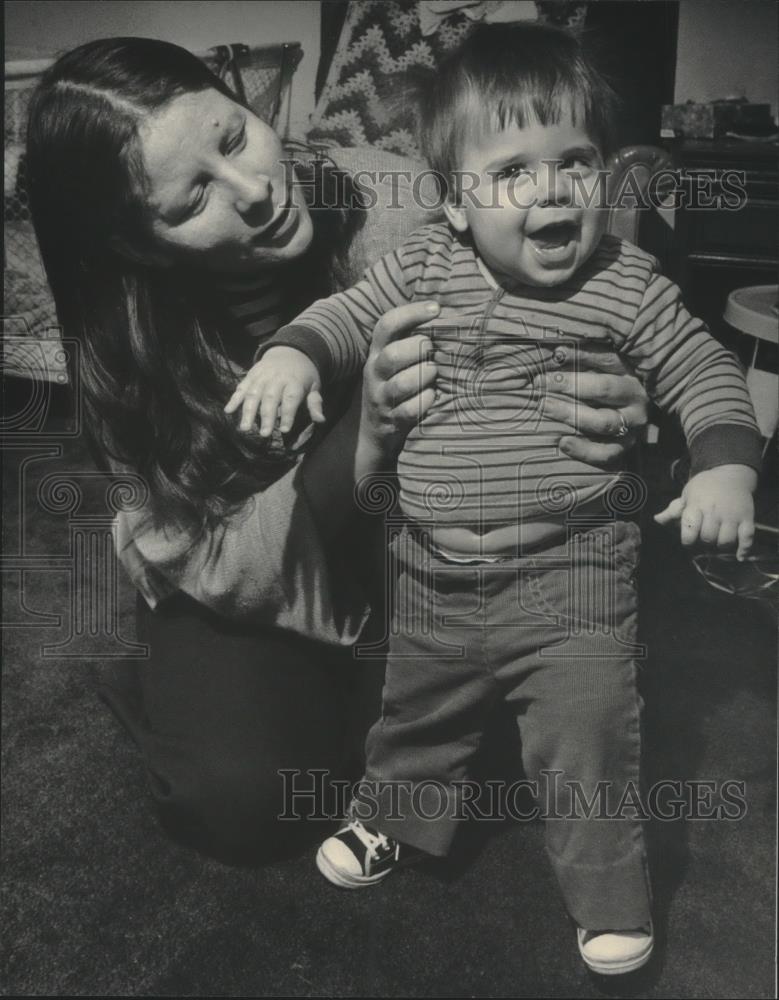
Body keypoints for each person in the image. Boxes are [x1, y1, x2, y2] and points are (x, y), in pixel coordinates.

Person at [27, 35, 651, 871]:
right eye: (191, 200)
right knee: (240, 801)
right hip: (255, 573)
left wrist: (624, 391)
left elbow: (597, 273)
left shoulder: (401, 197)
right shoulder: (123, 344)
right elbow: (194, 546)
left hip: (439, 536)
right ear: (138, 242)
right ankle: (160, 667)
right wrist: (366, 433)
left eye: (235, 135)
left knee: (551, 721)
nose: (255, 190)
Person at [229, 23, 761, 975]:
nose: (554, 190)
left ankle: (608, 893)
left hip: (573, 579)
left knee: (589, 737)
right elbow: (344, 318)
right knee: (415, 714)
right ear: (454, 204)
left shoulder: (624, 283)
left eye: (577, 163)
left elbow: (701, 368)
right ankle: (393, 815)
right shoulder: (423, 265)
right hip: (432, 570)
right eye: (512, 170)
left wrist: (724, 464)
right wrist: (289, 354)